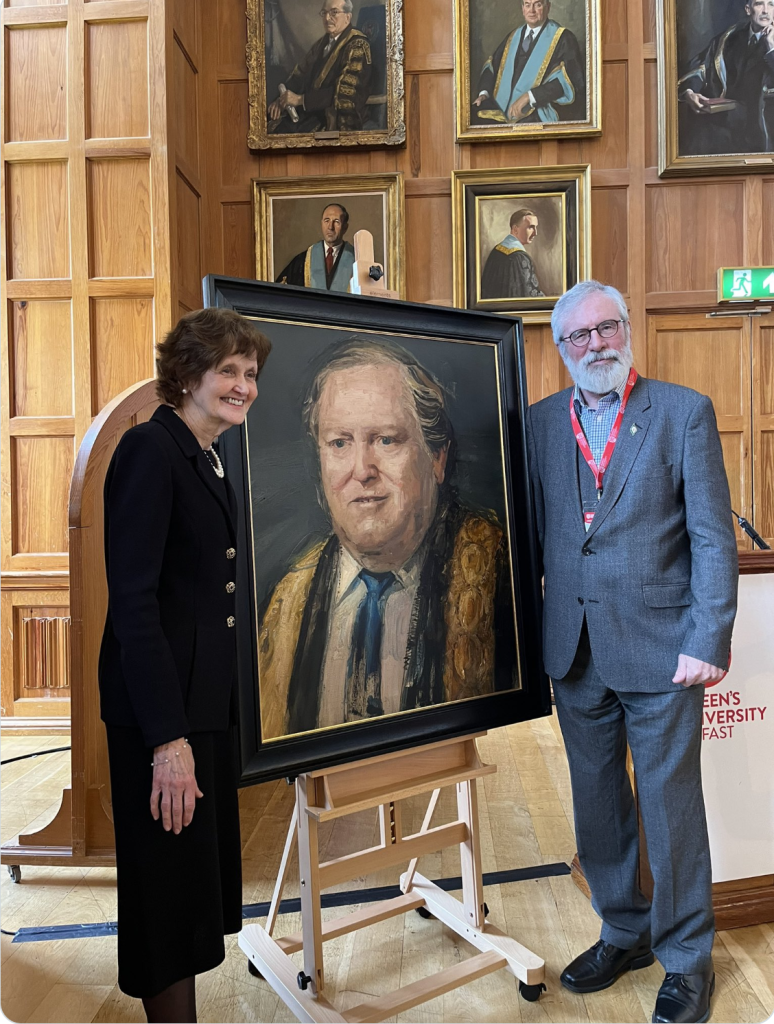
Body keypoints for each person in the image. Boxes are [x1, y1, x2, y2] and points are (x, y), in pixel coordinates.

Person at [526, 281, 738, 1024]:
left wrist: (708, 638)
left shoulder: (682, 413)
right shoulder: (541, 423)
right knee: (597, 807)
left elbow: (714, 537)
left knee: (669, 810)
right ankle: (624, 930)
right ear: (560, 349)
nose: (595, 345)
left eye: (605, 328)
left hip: (662, 650)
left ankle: (686, 957)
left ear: (626, 329)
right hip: (574, 651)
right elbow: (535, 539)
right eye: (577, 337)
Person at [98, 309, 271, 1022]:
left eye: (250, 374)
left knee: (191, 895)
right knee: (166, 902)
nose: (242, 386)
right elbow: (133, 604)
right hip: (161, 715)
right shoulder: (150, 449)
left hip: (203, 708)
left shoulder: (207, 454)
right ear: (188, 374)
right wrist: (167, 741)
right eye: (227, 371)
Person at [258, 338, 516, 739]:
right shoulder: (288, 600)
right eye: (340, 443)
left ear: (437, 459)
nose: (362, 470)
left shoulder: (501, 574)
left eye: (386, 440)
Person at [678, 0, 774, 155]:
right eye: (759, 4)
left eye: (771, 4)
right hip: (727, 127)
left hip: (765, 127)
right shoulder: (729, 38)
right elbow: (702, 66)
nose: (765, 10)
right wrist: (689, 91)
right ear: (748, 9)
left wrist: (771, 49)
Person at [471, 0, 585, 125]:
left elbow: (573, 81)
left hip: (537, 109)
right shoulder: (513, 37)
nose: (532, 10)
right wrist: (484, 93)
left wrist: (531, 97)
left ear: (548, 7)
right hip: (502, 108)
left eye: (538, 4)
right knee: (474, 116)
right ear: (522, 9)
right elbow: (492, 66)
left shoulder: (563, 38)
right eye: (527, 4)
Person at [267, 0, 373, 133]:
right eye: (324, 13)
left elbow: (345, 94)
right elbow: (299, 74)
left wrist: (301, 99)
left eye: (334, 12)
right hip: (310, 113)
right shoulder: (322, 44)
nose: (327, 18)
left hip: (333, 118)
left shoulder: (358, 46)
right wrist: (281, 99)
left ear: (348, 17)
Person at [276, 203, 355, 291]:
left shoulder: (357, 260)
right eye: (326, 220)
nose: (330, 227)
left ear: (345, 227)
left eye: (336, 222)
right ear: (321, 223)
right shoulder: (302, 261)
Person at [480, 208, 544, 299]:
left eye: (535, 227)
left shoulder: (496, 250)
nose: (535, 233)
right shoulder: (520, 257)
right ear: (515, 229)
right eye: (530, 227)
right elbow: (530, 294)